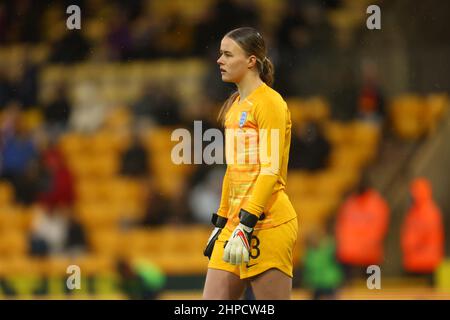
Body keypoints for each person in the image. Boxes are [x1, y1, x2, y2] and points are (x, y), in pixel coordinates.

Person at [202, 27, 298, 300]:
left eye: (227, 54)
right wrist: (221, 222)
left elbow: (270, 170)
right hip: (235, 226)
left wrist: (246, 225)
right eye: (220, 54)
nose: (220, 60)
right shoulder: (235, 106)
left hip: (267, 225)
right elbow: (233, 172)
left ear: (251, 61)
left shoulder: (270, 103)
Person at [401, 178, 444, 285]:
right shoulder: (414, 211)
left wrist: (410, 243)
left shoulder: (429, 211)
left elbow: (424, 233)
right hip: (416, 259)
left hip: (426, 261)